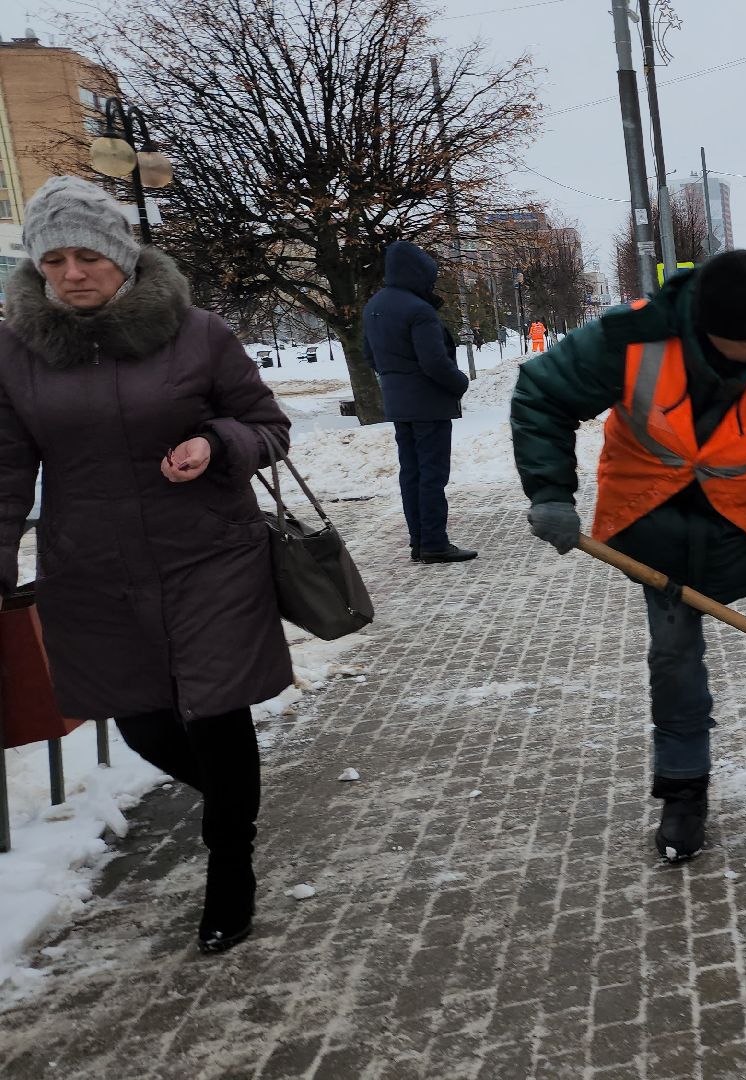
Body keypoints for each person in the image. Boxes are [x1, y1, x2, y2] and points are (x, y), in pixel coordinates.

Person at [0, 177, 293, 954]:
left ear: (122, 254)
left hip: (207, 554)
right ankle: (235, 802)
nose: (71, 273)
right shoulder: (15, 351)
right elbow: (3, 468)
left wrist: (218, 444)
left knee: (214, 708)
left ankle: (231, 863)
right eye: (53, 259)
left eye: (87, 254)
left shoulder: (197, 334)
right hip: (90, 566)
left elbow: (266, 426)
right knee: (142, 722)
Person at [511, 250, 746, 864]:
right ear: (706, 331)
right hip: (657, 525)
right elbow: (543, 393)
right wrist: (549, 491)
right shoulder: (632, 336)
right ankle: (683, 792)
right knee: (674, 661)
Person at [362, 241, 476, 563]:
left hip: (399, 405)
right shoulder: (418, 309)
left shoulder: (374, 307)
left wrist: (398, 382)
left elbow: (370, 355)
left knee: (411, 474)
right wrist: (460, 383)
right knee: (432, 475)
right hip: (429, 405)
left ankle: (419, 542)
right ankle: (435, 544)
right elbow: (434, 363)